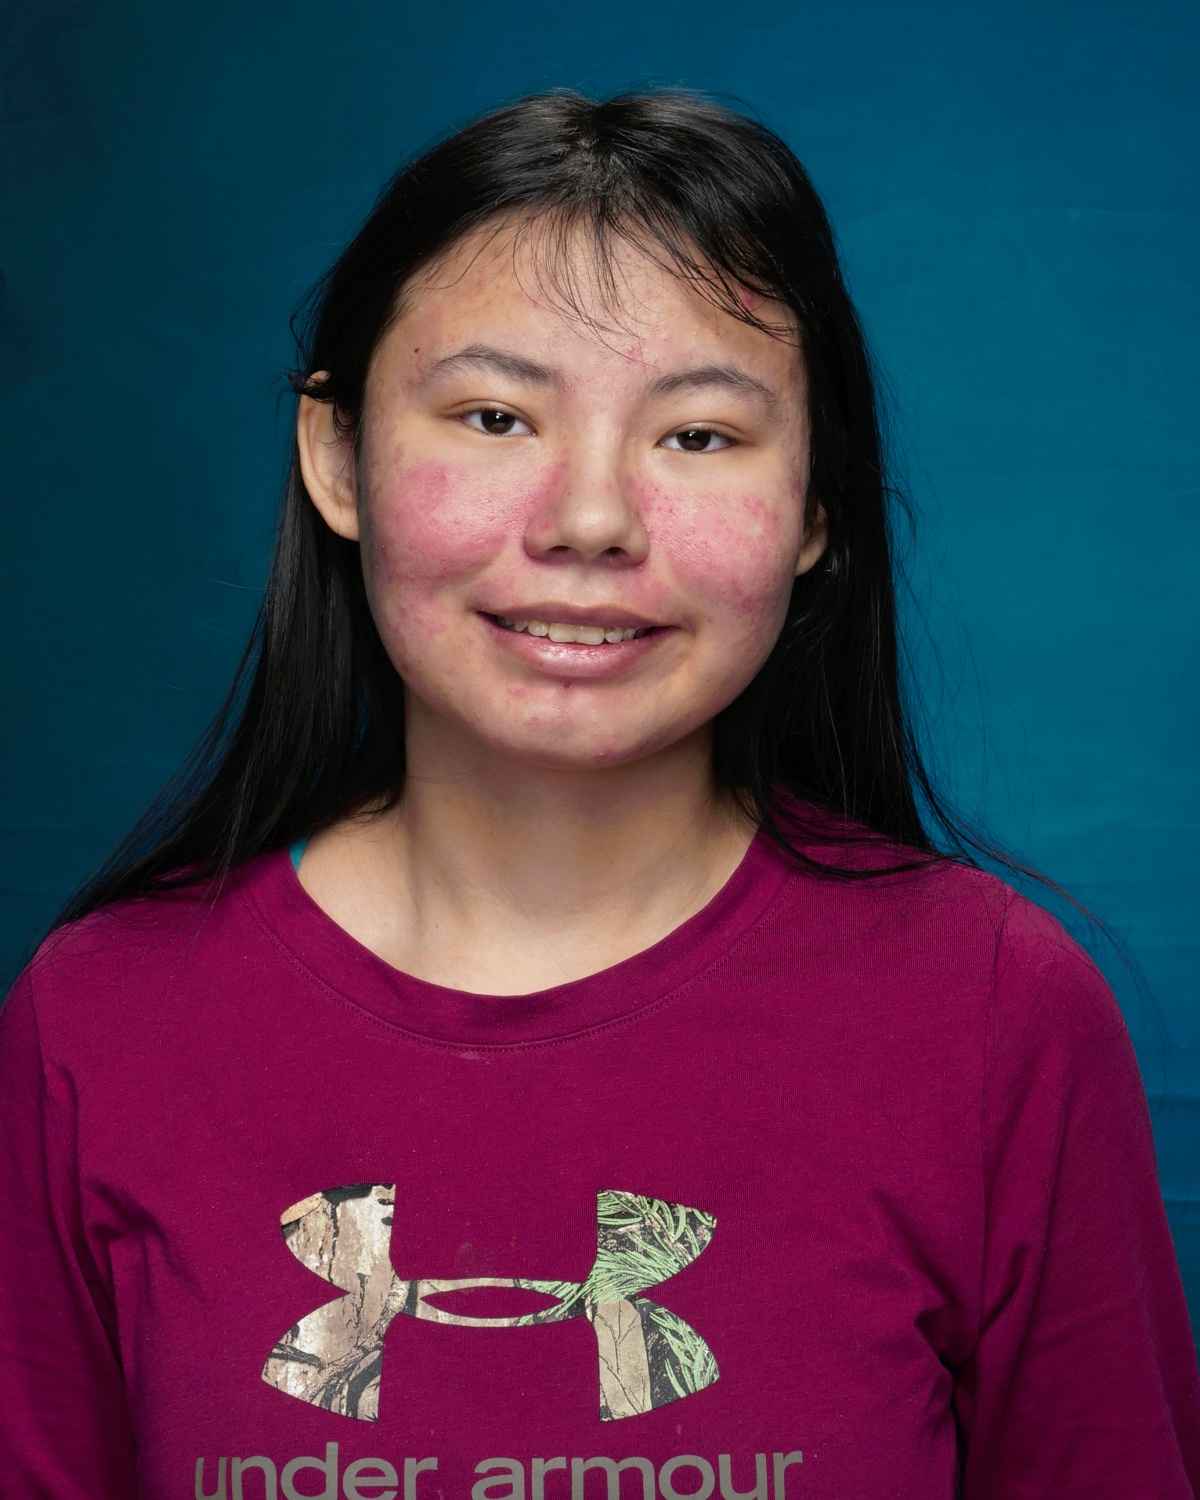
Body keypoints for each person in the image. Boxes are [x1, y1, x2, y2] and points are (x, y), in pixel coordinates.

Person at [1, 86, 1197, 1500]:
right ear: (337, 457)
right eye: (495, 415)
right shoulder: (101, 1022)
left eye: (698, 435)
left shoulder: (996, 1013)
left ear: (816, 508)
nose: (589, 520)